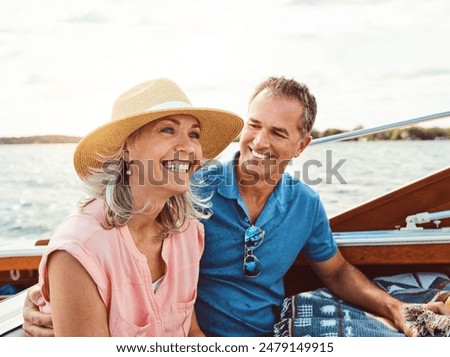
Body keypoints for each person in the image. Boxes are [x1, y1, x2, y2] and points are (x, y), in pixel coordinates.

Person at [23, 76, 449, 337]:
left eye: (278, 133)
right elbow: (99, 228)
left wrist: (398, 308)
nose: (260, 143)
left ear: (302, 146)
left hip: (265, 337)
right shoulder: (188, 190)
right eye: (254, 125)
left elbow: (335, 271)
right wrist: (48, 299)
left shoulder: (301, 204)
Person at [29, 77, 243, 336]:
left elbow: (192, 332)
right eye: (168, 130)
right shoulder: (78, 249)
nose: (188, 147)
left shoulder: (188, 233)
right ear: (127, 148)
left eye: (194, 134)